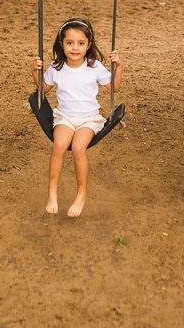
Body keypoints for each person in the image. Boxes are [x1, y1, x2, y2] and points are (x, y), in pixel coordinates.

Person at [30, 18, 122, 218]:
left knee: (79, 149)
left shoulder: (94, 66)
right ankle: (52, 192)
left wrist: (119, 66)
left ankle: (81, 194)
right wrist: (35, 72)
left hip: (89, 119)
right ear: (61, 44)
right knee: (59, 146)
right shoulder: (56, 67)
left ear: (88, 46)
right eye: (69, 43)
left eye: (80, 43)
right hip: (65, 117)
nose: (75, 48)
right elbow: (43, 90)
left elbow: (114, 88)